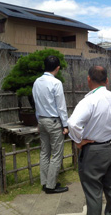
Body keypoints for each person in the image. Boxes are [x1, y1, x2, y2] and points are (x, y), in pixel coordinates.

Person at [67, 66, 111, 215]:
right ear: (107, 80)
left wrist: (78, 140)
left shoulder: (89, 101)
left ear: (88, 79)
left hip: (93, 151)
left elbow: (73, 123)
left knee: (93, 192)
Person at [32, 55, 69, 194]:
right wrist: (65, 125)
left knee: (44, 152)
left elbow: (36, 103)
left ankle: (45, 182)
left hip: (41, 119)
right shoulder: (56, 83)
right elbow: (61, 107)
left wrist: (38, 120)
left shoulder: (37, 82)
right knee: (57, 154)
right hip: (53, 121)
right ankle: (51, 185)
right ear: (57, 68)